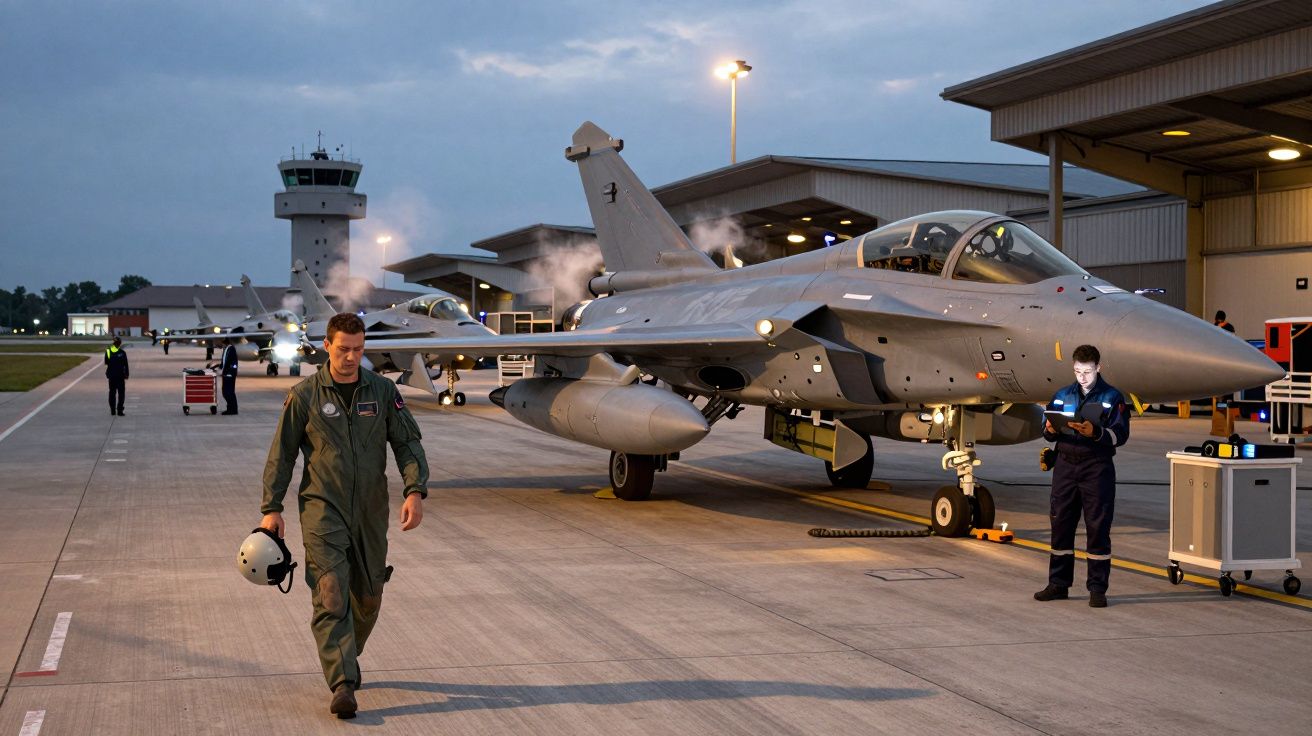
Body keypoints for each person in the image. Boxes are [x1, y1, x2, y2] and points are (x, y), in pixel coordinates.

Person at [259, 313, 428, 719]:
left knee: (368, 596)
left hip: (370, 510)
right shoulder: (305, 396)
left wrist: (414, 490)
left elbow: (407, 443)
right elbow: (281, 455)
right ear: (327, 347)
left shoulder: (383, 392)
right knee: (331, 591)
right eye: (343, 349)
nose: (351, 357)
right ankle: (343, 683)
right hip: (323, 508)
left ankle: (347, 655)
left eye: (358, 349)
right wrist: (272, 508)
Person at [1035, 344, 1130, 608]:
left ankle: (1097, 588)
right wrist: (1051, 428)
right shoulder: (1062, 395)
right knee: (1061, 523)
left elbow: (1120, 435)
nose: (1083, 377)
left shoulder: (1113, 397)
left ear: (1098, 368)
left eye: (1087, 372)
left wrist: (1095, 433)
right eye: (1078, 371)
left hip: (1096, 466)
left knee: (1098, 526)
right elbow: (1047, 429)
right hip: (1065, 464)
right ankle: (1058, 584)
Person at [104, 336, 129, 416]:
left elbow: (106, 362)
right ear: (119, 343)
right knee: (121, 393)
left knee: (112, 393)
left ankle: (113, 409)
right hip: (120, 376)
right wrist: (127, 374)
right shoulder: (122, 352)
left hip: (112, 375)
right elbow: (126, 365)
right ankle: (119, 410)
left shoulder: (108, 351)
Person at [219, 338, 239, 415]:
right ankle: (230, 408)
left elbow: (233, 363)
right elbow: (224, 362)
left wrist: (230, 372)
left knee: (229, 392)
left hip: (229, 375)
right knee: (225, 391)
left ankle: (232, 410)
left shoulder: (231, 349)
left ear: (224, 342)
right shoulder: (226, 349)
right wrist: (219, 367)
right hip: (225, 374)